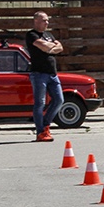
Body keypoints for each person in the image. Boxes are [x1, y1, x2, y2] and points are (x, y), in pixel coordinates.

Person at [26, 11, 64, 142]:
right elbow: (42, 46)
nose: (47, 23)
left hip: (52, 74)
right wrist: (49, 47)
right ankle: (40, 132)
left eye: (47, 20)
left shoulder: (49, 35)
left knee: (59, 100)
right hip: (38, 74)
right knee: (40, 103)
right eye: (44, 20)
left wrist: (50, 48)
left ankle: (45, 124)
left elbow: (60, 47)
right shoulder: (31, 35)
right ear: (36, 21)